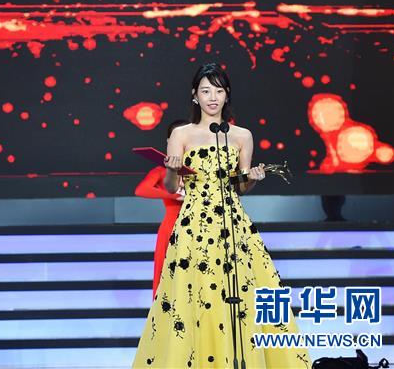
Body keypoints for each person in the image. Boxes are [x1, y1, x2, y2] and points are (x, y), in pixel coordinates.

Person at [132, 64, 309, 368]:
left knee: (241, 293)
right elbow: (173, 187)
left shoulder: (242, 136)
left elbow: (240, 187)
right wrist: (171, 170)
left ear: (227, 95)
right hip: (193, 225)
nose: (212, 97)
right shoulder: (181, 134)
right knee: (192, 297)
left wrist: (252, 178)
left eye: (218, 90)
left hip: (232, 224)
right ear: (194, 95)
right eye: (206, 91)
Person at [134, 119, 188, 296]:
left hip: (198, 228)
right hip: (171, 228)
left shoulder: (202, 169)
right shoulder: (161, 171)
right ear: (169, 141)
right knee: (166, 280)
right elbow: (141, 190)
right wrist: (173, 195)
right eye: (176, 136)